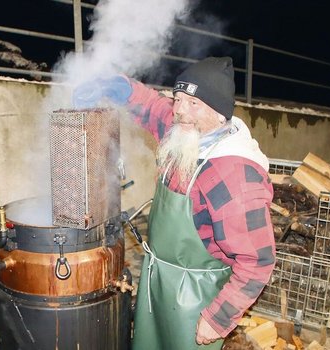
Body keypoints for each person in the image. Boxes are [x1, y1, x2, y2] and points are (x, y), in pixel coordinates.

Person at [73, 57, 276, 349]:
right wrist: (114, 86)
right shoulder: (184, 131)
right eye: (178, 98)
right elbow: (153, 106)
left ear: (220, 113)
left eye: (194, 103)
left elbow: (257, 261)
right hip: (159, 279)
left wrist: (217, 319)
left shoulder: (234, 175)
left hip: (198, 296)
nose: (180, 110)